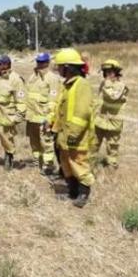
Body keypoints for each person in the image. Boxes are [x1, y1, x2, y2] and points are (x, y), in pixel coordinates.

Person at [51, 48, 95, 208]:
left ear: (68, 67)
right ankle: (72, 190)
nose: (58, 70)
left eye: (60, 67)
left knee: (79, 163)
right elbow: (60, 109)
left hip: (76, 135)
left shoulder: (81, 84)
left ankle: (84, 193)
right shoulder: (67, 85)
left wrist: (74, 133)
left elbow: (82, 112)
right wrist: (54, 127)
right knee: (66, 163)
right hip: (64, 134)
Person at [25, 52, 61, 175]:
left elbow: (54, 100)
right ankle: (37, 161)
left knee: (46, 142)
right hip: (31, 117)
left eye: (42, 62)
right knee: (34, 142)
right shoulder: (33, 76)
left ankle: (48, 166)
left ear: (47, 63)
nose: (39, 65)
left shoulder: (52, 78)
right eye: (38, 62)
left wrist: (49, 118)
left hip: (43, 118)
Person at [94, 59, 129, 168]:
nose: (107, 75)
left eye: (109, 72)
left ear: (116, 72)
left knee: (112, 146)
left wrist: (107, 83)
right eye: (105, 72)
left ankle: (111, 165)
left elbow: (113, 96)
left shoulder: (121, 86)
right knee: (94, 143)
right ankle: (91, 163)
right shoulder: (104, 84)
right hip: (100, 120)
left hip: (114, 122)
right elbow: (98, 100)